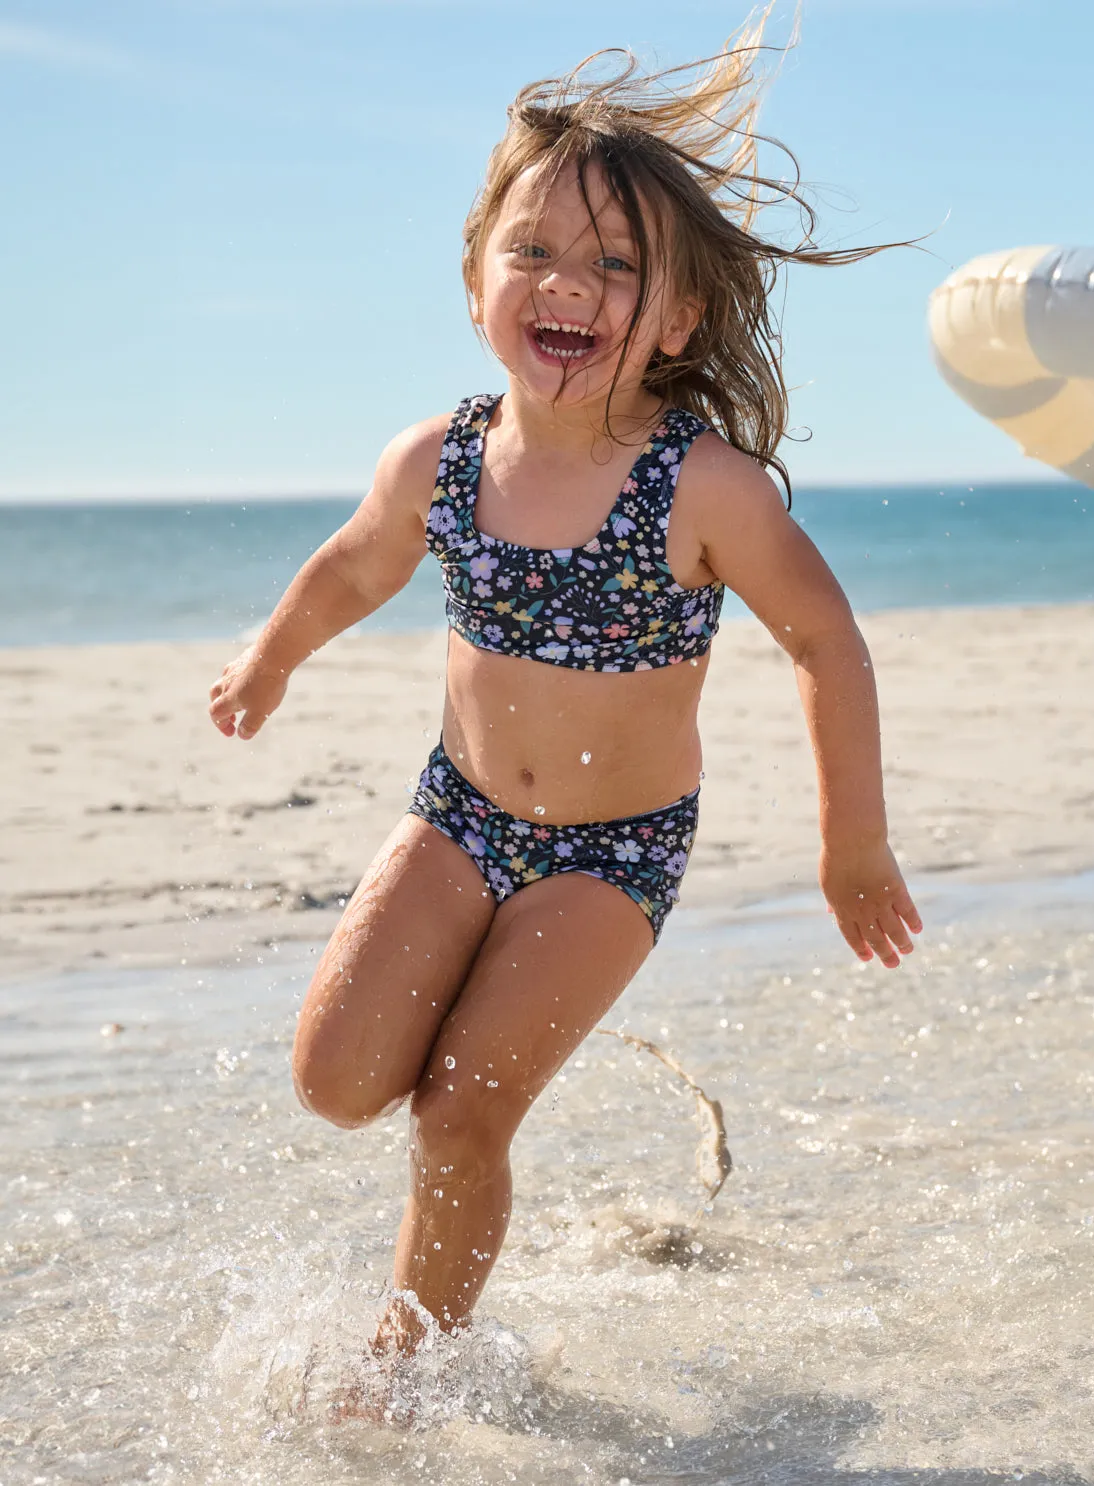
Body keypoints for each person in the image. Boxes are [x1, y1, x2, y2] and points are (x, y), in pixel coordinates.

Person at [207, 24, 922, 1386]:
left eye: (612, 266)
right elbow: (355, 561)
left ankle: (407, 1370)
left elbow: (826, 640)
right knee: (337, 1081)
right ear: (477, 268)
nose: (566, 286)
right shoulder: (442, 458)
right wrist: (274, 655)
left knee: (463, 1112)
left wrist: (852, 844)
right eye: (533, 250)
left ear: (674, 321)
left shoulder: (700, 487)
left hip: (614, 851)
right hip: (458, 812)